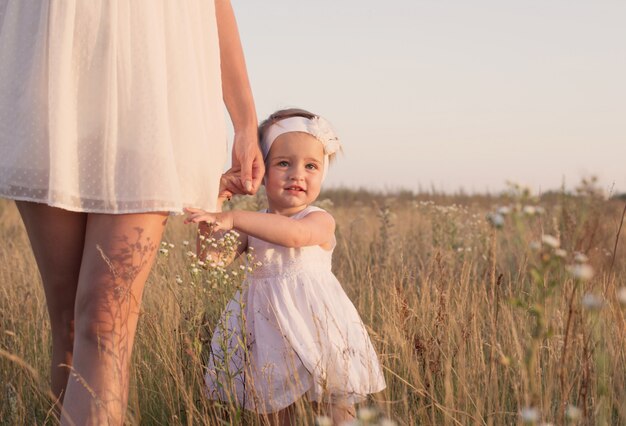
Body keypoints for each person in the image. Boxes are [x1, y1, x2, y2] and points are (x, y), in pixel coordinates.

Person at [0, 1, 263, 424]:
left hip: (150, 90)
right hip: (47, 75)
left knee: (105, 321)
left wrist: (245, 122)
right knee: (68, 325)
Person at [185, 109, 386, 425]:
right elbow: (211, 260)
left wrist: (235, 218)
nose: (297, 174)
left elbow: (296, 236)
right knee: (274, 409)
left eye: (310, 166)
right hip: (268, 328)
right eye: (283, 163)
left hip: (318, 326)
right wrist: (217, 204)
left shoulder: (318, 219)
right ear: (261, 172)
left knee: (336, 407)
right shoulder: (252, 224)